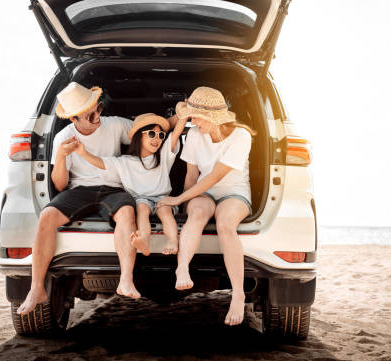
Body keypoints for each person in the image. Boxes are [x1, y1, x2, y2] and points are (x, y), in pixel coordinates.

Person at [17, 82, 139, 315]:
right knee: (47, 216)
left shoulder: (114, 124)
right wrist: (61, 157)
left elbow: (144, 130)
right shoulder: (63, 137)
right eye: (91, 114)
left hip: (113, 188)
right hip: (79, 190)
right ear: (74, 119)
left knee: (127, 212)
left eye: (99, 108)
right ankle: (36, 288)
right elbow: (60, 184)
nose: (98, 116)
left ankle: (125, 279)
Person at [157, 86, 255, 326]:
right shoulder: (194, 135)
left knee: (225, 225)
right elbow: (192, 176)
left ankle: (238, 295)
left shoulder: (241, 136)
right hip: (204, 191)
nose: (193, 122)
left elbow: (215, 176)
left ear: (213, 117)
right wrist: (186, 203)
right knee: (198, 213)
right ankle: (182, 268)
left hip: (234, 192)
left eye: (196, 117)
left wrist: (178, 199)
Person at [74, 113, 186, 256]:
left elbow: (176, 133)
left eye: (161, 136)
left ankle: (173, 242)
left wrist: (185, 113)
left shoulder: (164, 156)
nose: (157, 139)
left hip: (162, 198)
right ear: (139, 136)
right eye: (152, 134)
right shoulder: (125, 161)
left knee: (165, 211)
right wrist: (83, 153)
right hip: (140, 199)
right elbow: (102, 163)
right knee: (141, 208)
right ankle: (144, 241)